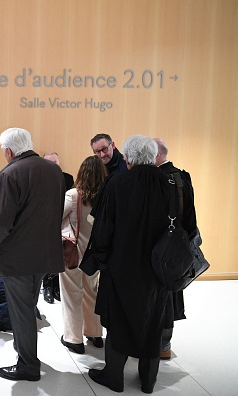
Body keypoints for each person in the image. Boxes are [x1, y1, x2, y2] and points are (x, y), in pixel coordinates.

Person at [86, 135, 177, 393]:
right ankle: (148, 380)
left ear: (127, 158)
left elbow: (102, 229)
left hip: (121, 266)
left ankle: (114, 376)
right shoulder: (171, 182)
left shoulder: (116, 182)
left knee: (119, 320)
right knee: (154, 318)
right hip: (159, 267)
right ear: (154, 156)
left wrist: (100, 259)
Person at [0, 128, 65, 381]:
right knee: (28, 306)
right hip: (44, 254)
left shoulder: (10, 173)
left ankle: (28, 365)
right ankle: (27, 356)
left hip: (17, 257)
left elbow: (1, 221)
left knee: (21, 312)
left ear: (9, 151)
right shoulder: (54, 170)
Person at [59, 156, 107, 355]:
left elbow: (56, 217)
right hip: (95, 254)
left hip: (73, 253)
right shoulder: (106, 196)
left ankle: (74, 338)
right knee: (92, 292)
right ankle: (95, 333)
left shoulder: (73, 195)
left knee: (72, 294)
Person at [154, 138, 197, 360]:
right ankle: (165, 345)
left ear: (156, 155)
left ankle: (156, 343)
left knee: (158, 295)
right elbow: (191, 216)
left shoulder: (157, 179)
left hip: (158, 247)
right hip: (178, 244)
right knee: (172, 292)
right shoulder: (183, 177)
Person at [41, 151, 74, 304]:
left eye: (55, 162)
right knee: (47, 254)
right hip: (44, 222)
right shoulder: (38, 179)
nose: (53, 165)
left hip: (63, 221)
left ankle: (56, 286)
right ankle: (47, 285)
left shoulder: (67, 178)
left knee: (60, 254)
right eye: (49, 162)